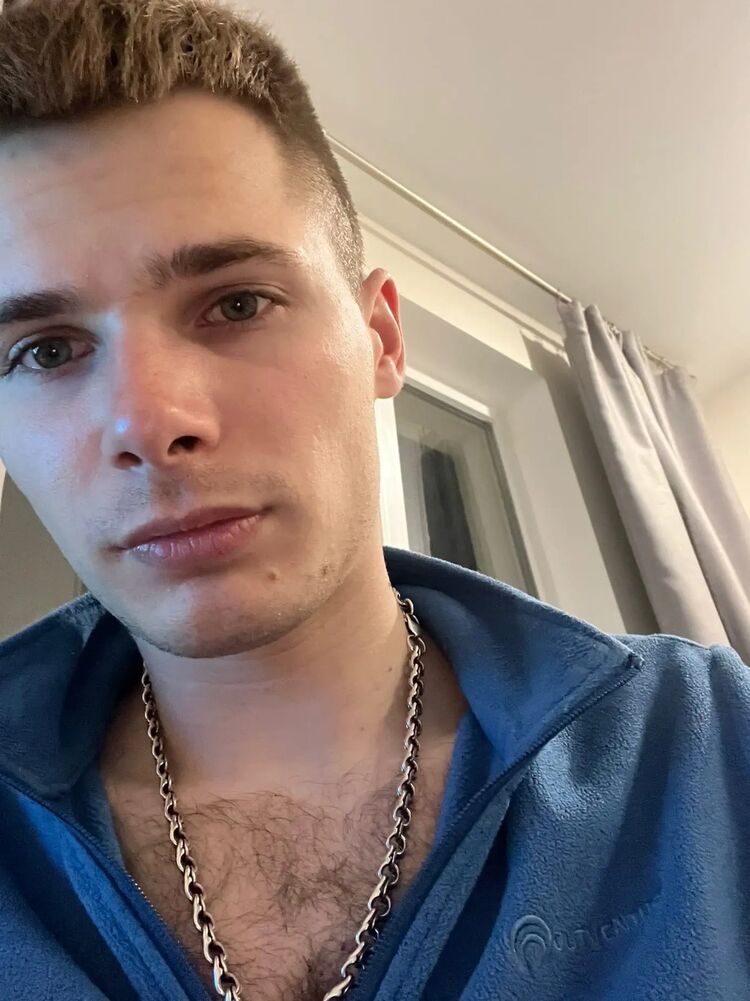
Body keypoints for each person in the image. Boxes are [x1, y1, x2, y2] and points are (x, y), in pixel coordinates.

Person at [0, 1, 747, 999]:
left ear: (382, 339)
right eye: (45, 350)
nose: (149, 421)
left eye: (235, 303)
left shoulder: (707, 740)